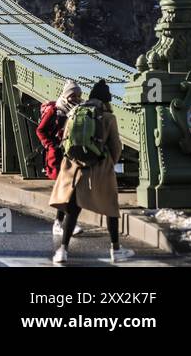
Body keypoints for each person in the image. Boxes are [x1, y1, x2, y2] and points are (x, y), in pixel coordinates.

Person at [50, 79, 133, 264]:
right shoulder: (108, 117)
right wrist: (109, 162)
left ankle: (62, 251)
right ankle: (116, 250)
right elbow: (116, 147)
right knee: (111, 208)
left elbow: (65, 140)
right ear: (106, 100)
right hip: (100, 167)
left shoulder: (75, 112)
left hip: (75, 167)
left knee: (73, 209)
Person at [37, 79, 84, 238]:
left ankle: (61, 223)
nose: (76, 98)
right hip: (56, 157)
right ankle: (63, 224)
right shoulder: (56, 110)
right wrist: (50, 145)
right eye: (73, 95)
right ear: (66, 95)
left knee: (68, 190)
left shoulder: (79, 110)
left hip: (71, 155)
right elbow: (40, 130)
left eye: (79, 95)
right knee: (67, 190)